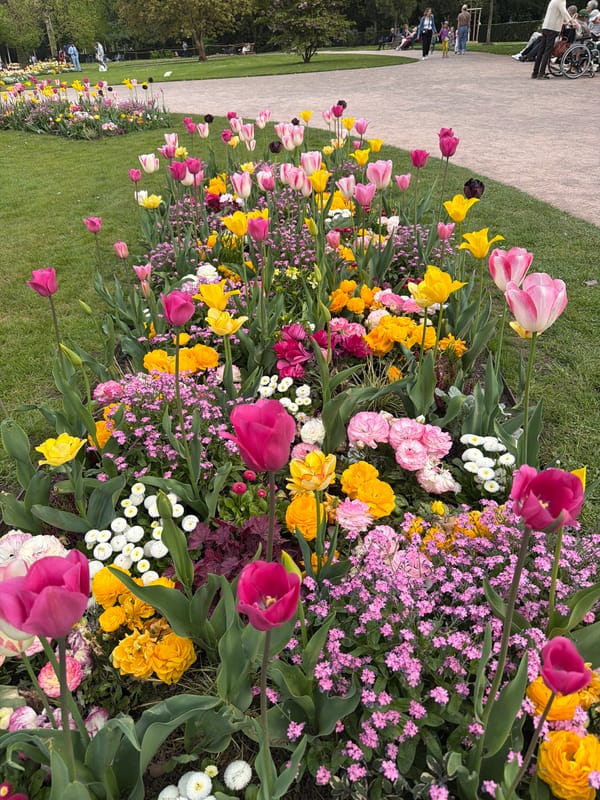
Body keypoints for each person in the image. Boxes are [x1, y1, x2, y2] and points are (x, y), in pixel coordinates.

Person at [532, 0, 578, 78]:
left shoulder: (553, 1)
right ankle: (541, 73)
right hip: (552, 28)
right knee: (548, 51)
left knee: (541, 50)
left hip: (546, 26)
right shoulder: (561, 1)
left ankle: (535, 73)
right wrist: (571, 21)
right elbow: (564, 12)